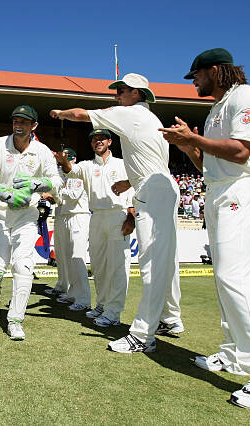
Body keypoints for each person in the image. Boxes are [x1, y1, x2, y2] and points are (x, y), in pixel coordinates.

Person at [159, 47, 250, 409]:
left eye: (196, 75)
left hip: (240, 190)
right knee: (226, 278)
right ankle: (233, 353)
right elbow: (208, 163)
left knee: (236, 280)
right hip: (218, 190)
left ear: (216, 70)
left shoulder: (247, 97)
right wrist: (189, 145)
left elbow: (240, 151)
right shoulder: (217, 108)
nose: (194, 82)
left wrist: (195, 140)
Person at [51, 73, 183, 353]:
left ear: (136, 93)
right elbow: (150, 164)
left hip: (151, 191)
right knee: (164, 260)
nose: (116, 96)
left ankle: (142, 333)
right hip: (156, 186)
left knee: (150, 264)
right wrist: (131, 183)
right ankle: (170, 319)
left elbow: (81, 114)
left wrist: (61, 112)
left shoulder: (131, 113)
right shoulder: (148, 118)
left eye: (121, 90)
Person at [0, 105, 62, 340]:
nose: (18, 125)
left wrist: (38, 185)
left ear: (33, 126)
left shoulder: (42, 151)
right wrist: (3, 193)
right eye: (16, 120)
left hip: (26, 214)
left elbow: (56, 180)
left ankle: (15, 320)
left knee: (23, 266)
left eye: (24, 122)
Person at [54, 130, 134, 328]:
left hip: (118, 214)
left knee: (117, 266)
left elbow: (134, 189)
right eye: (94, 139)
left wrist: (131, 216)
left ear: (109, 141)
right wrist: (62, 161)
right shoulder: (87, 166)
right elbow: (70, 170)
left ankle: (113, 313)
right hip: (96, 216)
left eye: (101, 139)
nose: (97, 142)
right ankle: (102, 304)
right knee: (98, 266)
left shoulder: (122, 164)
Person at [48, 148, 92, 311]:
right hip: (67, 215)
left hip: (78, 216)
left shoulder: (77, 173)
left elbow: (73, 195)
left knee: (77, 257)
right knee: (66, 256)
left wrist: (53, 192)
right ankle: (73, 292)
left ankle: (84, 299)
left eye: (64, 160)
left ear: (71, 159)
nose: (61, 165)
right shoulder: (64, 175)